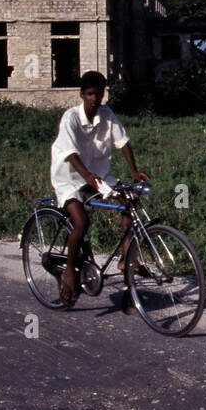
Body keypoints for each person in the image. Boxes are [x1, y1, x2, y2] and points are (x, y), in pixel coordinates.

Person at [49, 70, 150, 306]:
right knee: (82, 222)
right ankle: (69, 272)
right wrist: (88, 177)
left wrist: (134, 171)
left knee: (130, 200)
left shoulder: (107, 114)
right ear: (82, 94)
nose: (95, 98)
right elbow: (71, 155)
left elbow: (123, 142)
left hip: (98, 175)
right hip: (70, 178)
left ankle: (126, 257)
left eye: (99, 94)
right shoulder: (70, 118)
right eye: (91, 94)